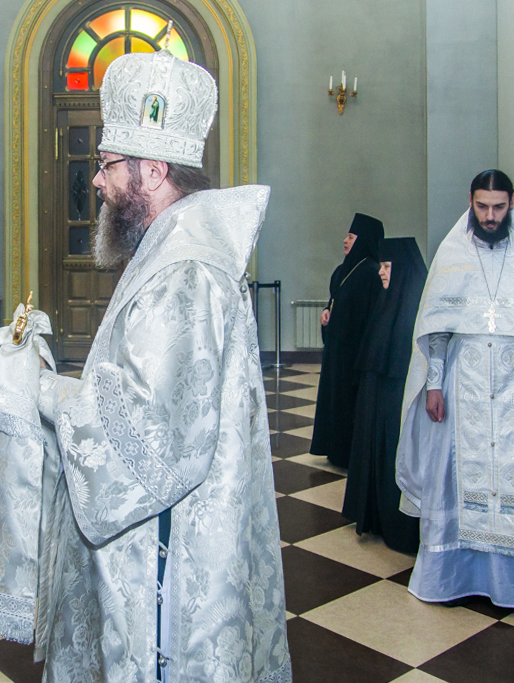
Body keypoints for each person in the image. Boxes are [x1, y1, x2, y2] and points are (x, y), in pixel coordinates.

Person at [32, 42, 290, 682]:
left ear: (150, 171)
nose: (97, 178)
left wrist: (38, 392)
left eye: (108, 164)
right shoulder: (173, 246)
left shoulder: (186, 269)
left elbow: (151, 441)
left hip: (171, 547)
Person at [396, 169, 514, 606]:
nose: (489, 215)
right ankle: (454, 576)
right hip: (463, 386)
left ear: (511, 204)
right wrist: (433, 383)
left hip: (510, 388)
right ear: (470, 201)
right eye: (481, 206)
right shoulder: (453, 251)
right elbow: (436, 329)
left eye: (498, 207)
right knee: (457, 475)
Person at [342, 237, 426, 553]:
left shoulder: (413, 307)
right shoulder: (387, 300)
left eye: (388, 266)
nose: (381, 272)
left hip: (398, 403)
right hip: (379, 399)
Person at [310, 213, 385, 468]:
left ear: (363, 240)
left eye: (350, 237)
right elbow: (333, 300)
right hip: (337, 353)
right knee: (334, 402)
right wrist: (326, 312)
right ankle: (332, 448)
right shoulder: (342, 270)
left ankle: (348, 453)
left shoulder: (374, 273)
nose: (345, 241)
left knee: (350, 405)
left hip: (354, 356)